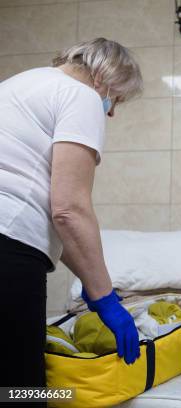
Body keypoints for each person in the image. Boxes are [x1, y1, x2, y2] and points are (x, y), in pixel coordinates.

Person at [0, 38, 144, 391]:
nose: (110, 112)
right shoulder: (81, 95)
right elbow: (68, 209)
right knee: (20, 391)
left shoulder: (19, 84)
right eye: (117, 99)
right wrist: (107, 300)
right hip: (8, 249)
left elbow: (60, 223)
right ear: (105, 77)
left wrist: (97, 293)